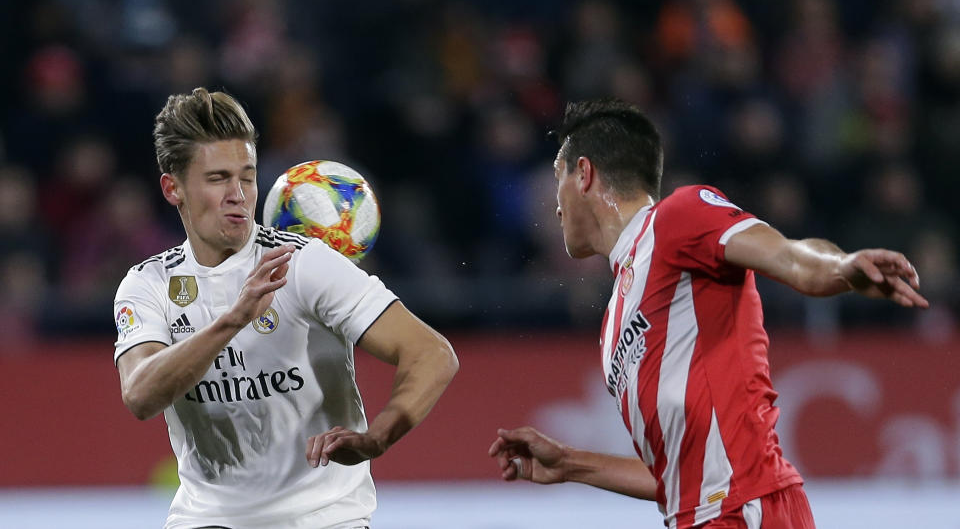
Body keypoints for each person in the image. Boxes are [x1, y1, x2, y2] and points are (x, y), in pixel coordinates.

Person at [488, 99, 928, 528]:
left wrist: (844, 268)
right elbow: (674, 477)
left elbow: (788, 255)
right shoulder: (611, 330)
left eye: (556, 178)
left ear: (584, 173)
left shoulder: (678, 217)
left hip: (745, 508)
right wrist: (568, 463)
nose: (555, 203)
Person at [114, 88, 459, 529]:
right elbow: (140, 395)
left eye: (248, 176)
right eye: (218, 178)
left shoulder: (305, 263)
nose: (238, 194)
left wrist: (378, 435)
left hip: (323, 518)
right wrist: (234, 319)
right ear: (173, 188)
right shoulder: (148, 285)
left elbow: (431, 354)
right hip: (207, 519)